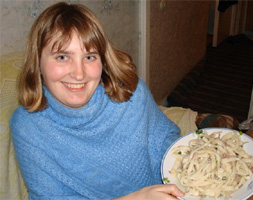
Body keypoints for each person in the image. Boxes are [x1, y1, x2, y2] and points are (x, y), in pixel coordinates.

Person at [10, 2, 184, 199]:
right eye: (62, 57)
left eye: (90, 57)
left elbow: (165, 138)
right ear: (37, 63)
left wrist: (196, 162)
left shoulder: (130, 92)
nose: (79, 74)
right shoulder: (28, 127)